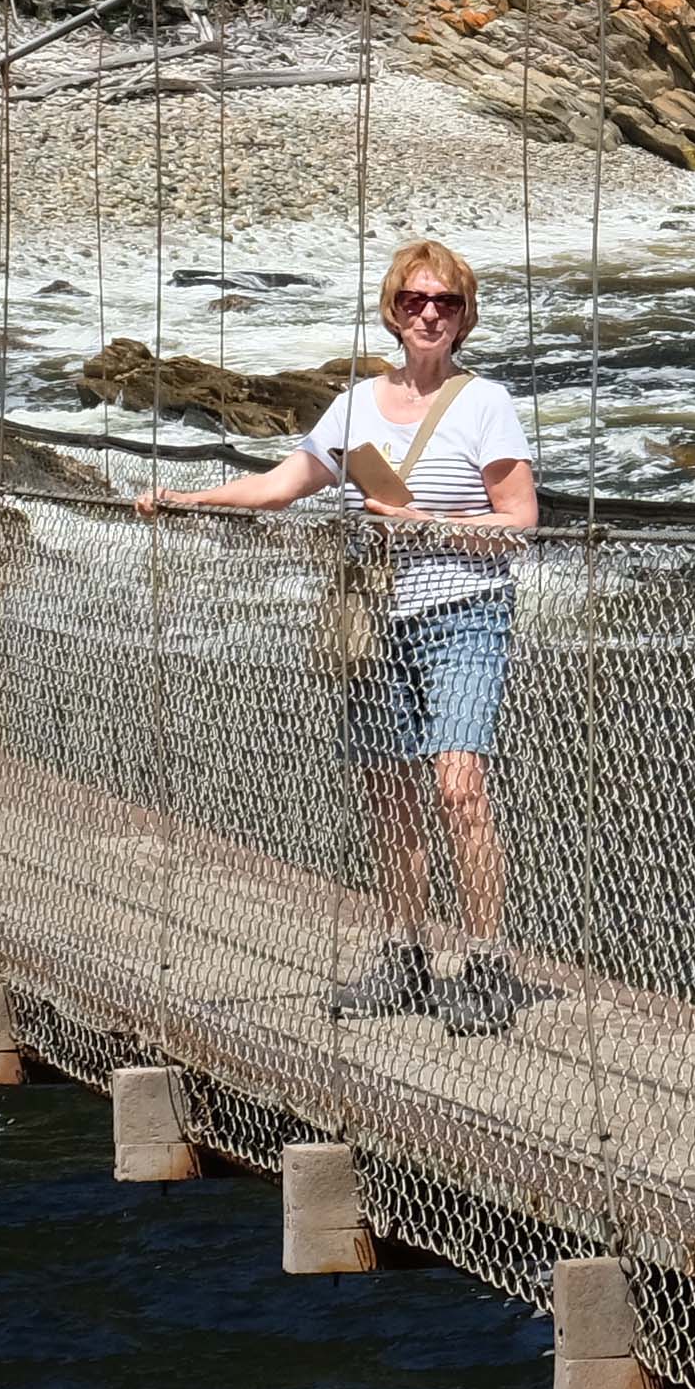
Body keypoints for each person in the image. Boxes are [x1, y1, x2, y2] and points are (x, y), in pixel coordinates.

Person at [138, 241, 542, 1034]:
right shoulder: (355, 405)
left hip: (465, 612)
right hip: (375, 620)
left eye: (447, 303)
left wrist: (422, 521)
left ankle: (486, 962)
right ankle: (404, 956)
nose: (431, 314)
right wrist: (188, 498)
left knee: (459, 788)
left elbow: (520, 521)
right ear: (394, 311)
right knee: (390, 794)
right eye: (416, 301)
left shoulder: (485, 402)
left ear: (465, 317)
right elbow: (279, 486)